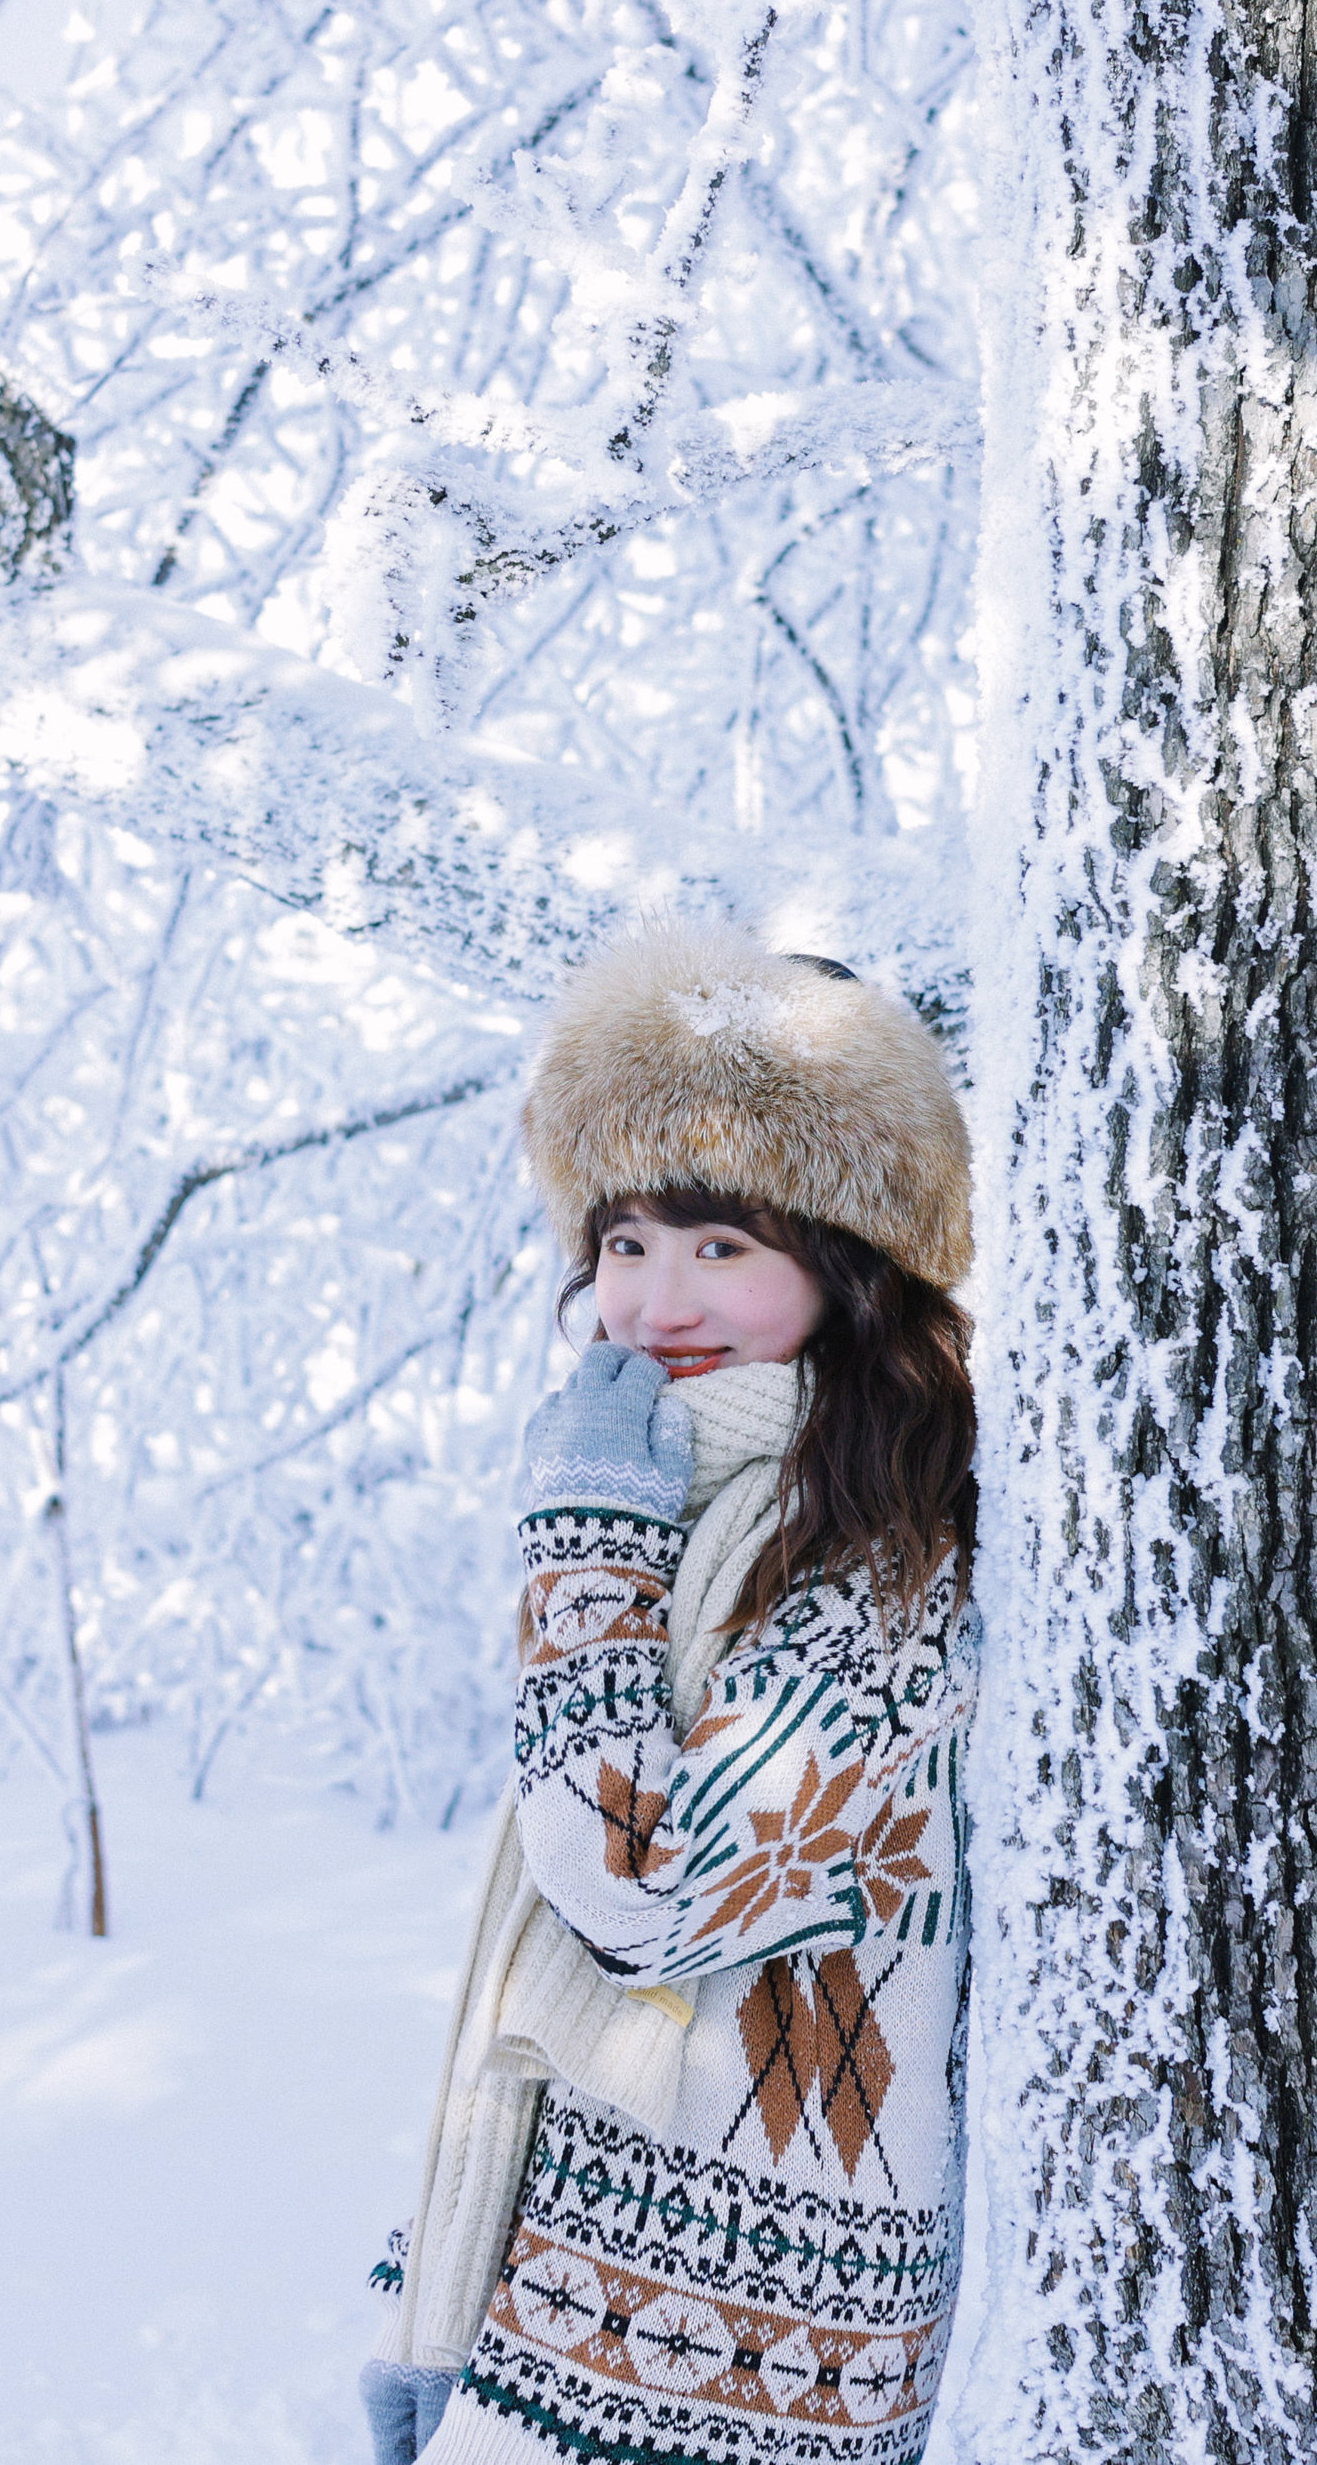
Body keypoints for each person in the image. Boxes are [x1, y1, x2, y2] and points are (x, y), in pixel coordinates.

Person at [360, 920, 980, 2465]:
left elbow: (650, 1884)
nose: (656, 1299)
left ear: (847, 1266)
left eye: (721, 1244)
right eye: (624, 1242)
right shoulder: (688, 1488)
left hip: (738, 2339)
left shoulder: (889, 1554)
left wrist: (585, 1557)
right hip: (568, 2270)